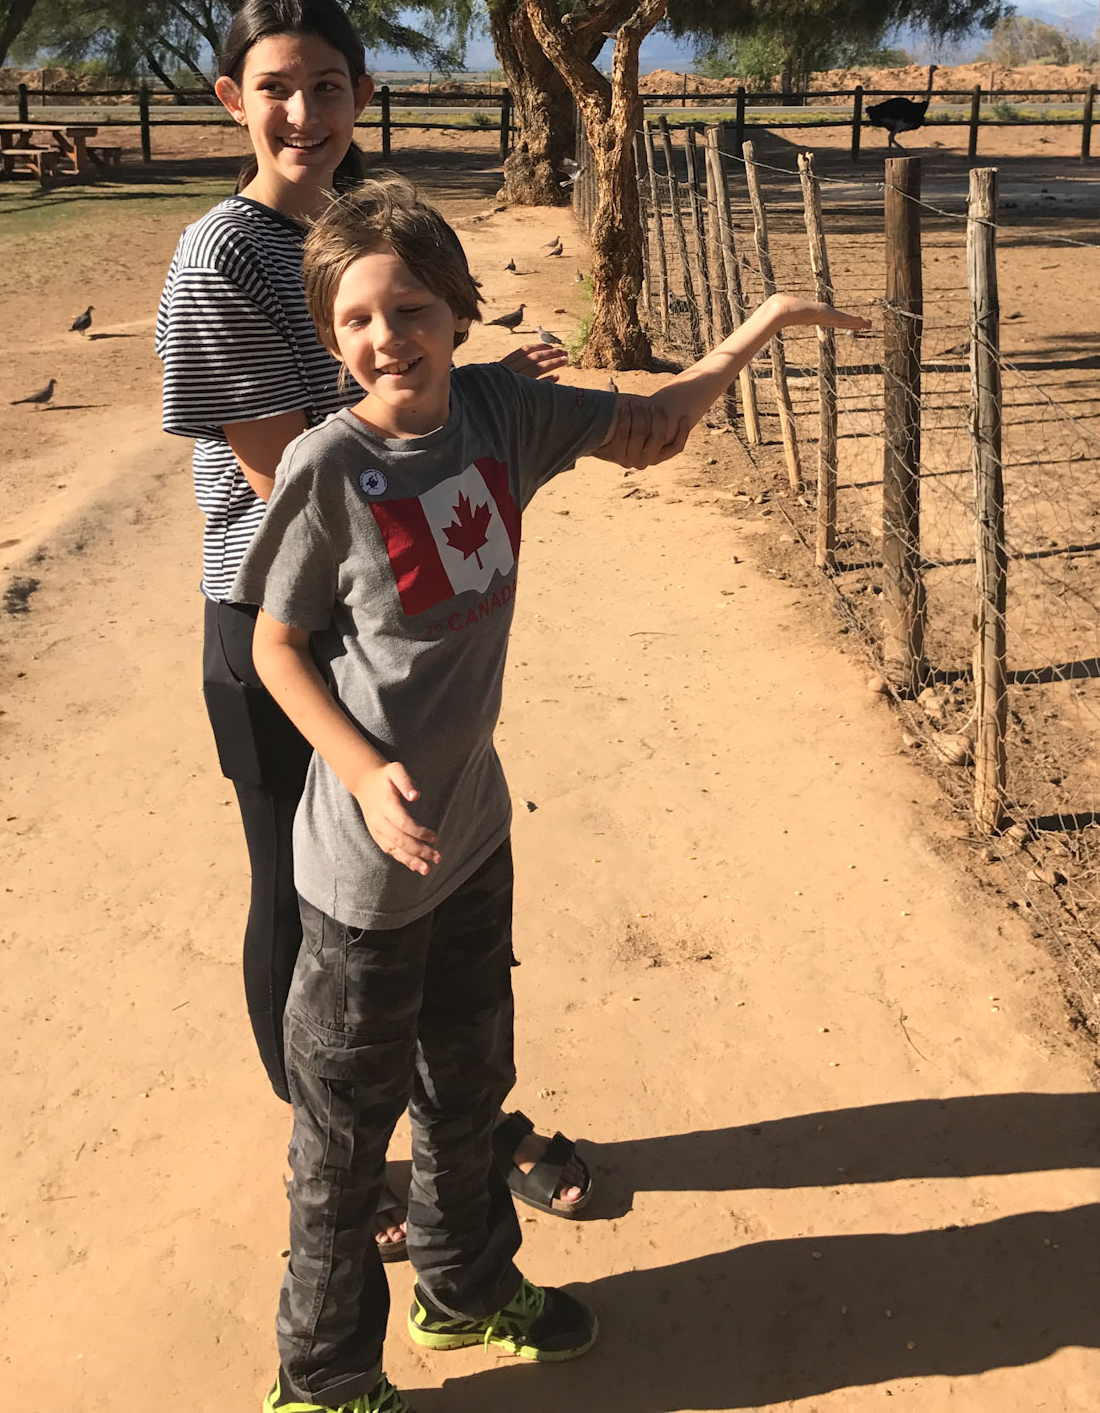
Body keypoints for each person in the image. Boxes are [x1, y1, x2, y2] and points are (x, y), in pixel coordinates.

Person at [237, 177, 869, 1412]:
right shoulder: (329, 465)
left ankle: (464, 1288)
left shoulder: (498, 413)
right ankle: (321, 1375)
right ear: (330, 335)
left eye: (410, 308)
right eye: (357, 319)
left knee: (469, 1086)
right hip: (368, 875)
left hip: (474, 832)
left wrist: (761, 325)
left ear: (455, 310)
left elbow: (655, 425)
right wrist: (360, 772)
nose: (387, 337)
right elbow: (276, 645)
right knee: (346, 1134)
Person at [155, 0, 589, 1253]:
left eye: (328, 85)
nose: (304, 112)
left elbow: (405, 389)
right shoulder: (221, 258)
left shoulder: (358, 220)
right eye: (276, 88)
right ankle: (348, 1150)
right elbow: (294, 478)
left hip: (389, 626)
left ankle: (462, 1129)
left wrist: (482, 388)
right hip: (286, 629)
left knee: (435, 888)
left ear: (362, 93)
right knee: (311, 903)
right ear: (233, 100)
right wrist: (467, 442)